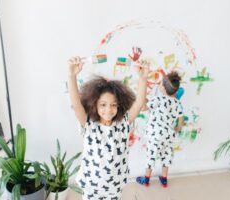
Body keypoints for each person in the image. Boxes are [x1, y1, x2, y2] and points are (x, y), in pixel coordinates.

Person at [68, 56, 150, 200]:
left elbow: (138, 103)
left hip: (114, 187)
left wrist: (143, 78)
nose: (108, 109)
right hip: (91, 186)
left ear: (119, 105)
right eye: (103, 104)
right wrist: (72, 75)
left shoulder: (123, 124)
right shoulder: (89, 124)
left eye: (113, 104)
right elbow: (76, 104)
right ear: (95, 104)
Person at [136, 71, 184, 188]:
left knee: (151, 156)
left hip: (155, 135)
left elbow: (143, 108)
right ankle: (164, 179)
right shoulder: (178, 103)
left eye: (160, 83)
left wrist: (142, 99)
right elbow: (181, 121)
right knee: (166, 156)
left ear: (162, 88)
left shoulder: (159, 99)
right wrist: (177, 129)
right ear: (176, 90)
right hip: (169, 136)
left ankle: (146, 179)